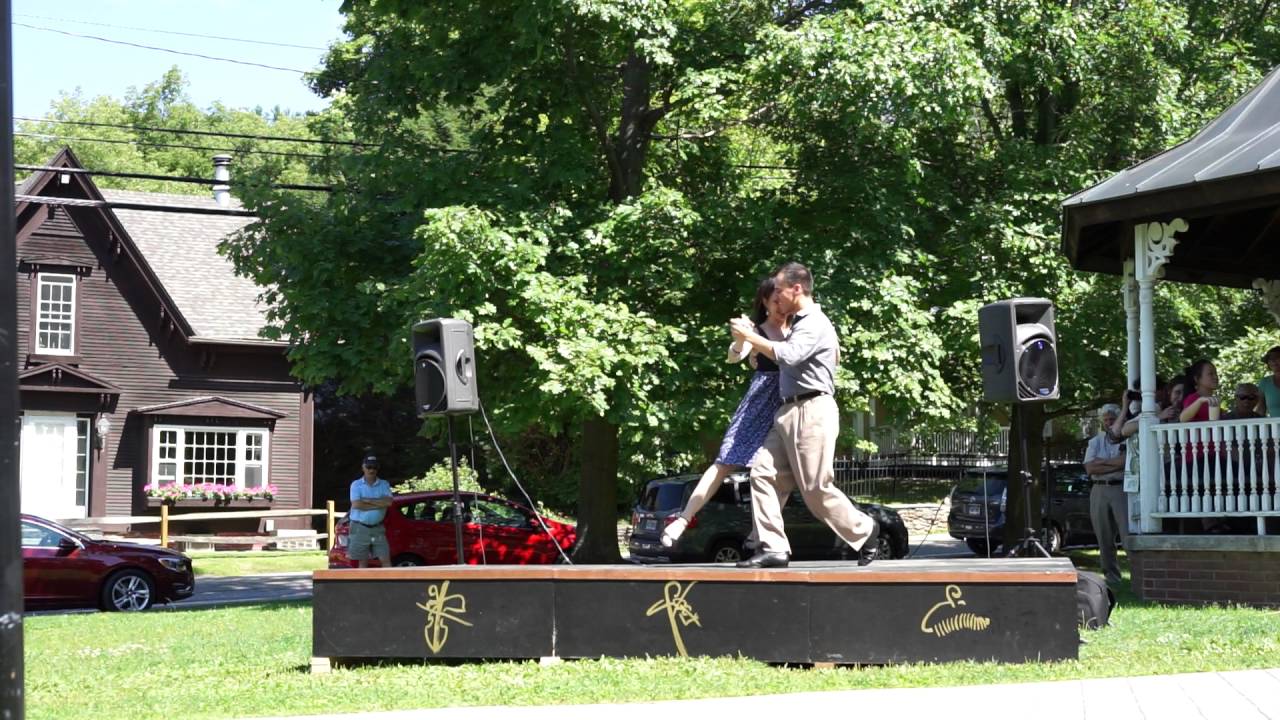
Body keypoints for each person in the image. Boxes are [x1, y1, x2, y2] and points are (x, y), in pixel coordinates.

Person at [728, 262, 877, 569]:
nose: (775, 297)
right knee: (763, 474)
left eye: (779, 291)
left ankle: (865, 530)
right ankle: (773, 548)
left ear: (797, 289)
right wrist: (750, 338)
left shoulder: (814, 322)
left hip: (812, 411)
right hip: (787, 411)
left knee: (815, 489)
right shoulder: (797, 323)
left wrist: (750, 336)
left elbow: (788, 356)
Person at [661, 277, 790, 548]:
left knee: (778, 472)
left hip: (789, 405)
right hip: (760, 404)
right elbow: (736, 354)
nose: (780, 305)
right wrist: (739, 341)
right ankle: (683, 519)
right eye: (774, 300)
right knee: (724, 462)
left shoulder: (799, 330)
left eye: (783, 299)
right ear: (764, 303)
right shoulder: (756, 331)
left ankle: (761, 534)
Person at [1084, 404, 1128, 587]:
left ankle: (1137, 574)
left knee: (1127, 533)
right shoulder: (1095, 442)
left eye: (1112, 420)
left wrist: (1103, 463)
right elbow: (1089, 467)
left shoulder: (1127, 439)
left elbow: (1124, 463)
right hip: (1099, 489)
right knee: (1104, 536)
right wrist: (1114, 463)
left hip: (1120, 489)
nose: (1109, 423)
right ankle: (1111, 577)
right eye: (1106, 420)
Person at [348, 454, 392, 568]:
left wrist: (367, 501)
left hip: (378, 528)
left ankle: (390, 585)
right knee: (362, 561)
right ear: (363, 467)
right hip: (359, 527)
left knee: (385, 559)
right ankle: (362, 586)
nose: (372, 470)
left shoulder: (384, 484)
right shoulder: (356, 484)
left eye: (374, 467)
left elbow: (388, 502)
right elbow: (357, 504)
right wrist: (379, 504)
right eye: (369, 467)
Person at [1256, 346, 1280, 417]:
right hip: (1275, 427)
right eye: (1270, 359)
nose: (1273, 361)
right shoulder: (1265, 382)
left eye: (1277, 358)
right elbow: (1261, 409)